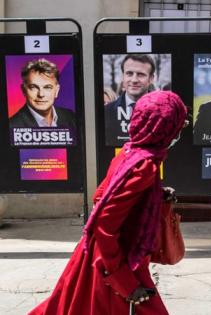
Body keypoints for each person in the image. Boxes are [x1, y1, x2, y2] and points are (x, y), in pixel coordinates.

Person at [28, 91, 187, 315]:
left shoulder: (130, 152)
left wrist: (154, 196)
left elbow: (101, 197)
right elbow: (105, 222)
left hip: (99, 257)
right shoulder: (144, 166)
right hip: (114, 262)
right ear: (167, 129)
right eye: (179, 126)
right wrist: (123, 281)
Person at [9, 58, 76, 129]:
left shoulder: (71, 117)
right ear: (23, 90)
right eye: (33, 87)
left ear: (56, 91)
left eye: (47, 87)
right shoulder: (12, 125)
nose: (41, 94)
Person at [105, 54, 155, 146]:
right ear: (123, 76)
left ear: (151, 78)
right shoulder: (107, 112)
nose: (134, 80)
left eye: (140, 74)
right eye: (129, 73)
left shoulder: (162, 113)